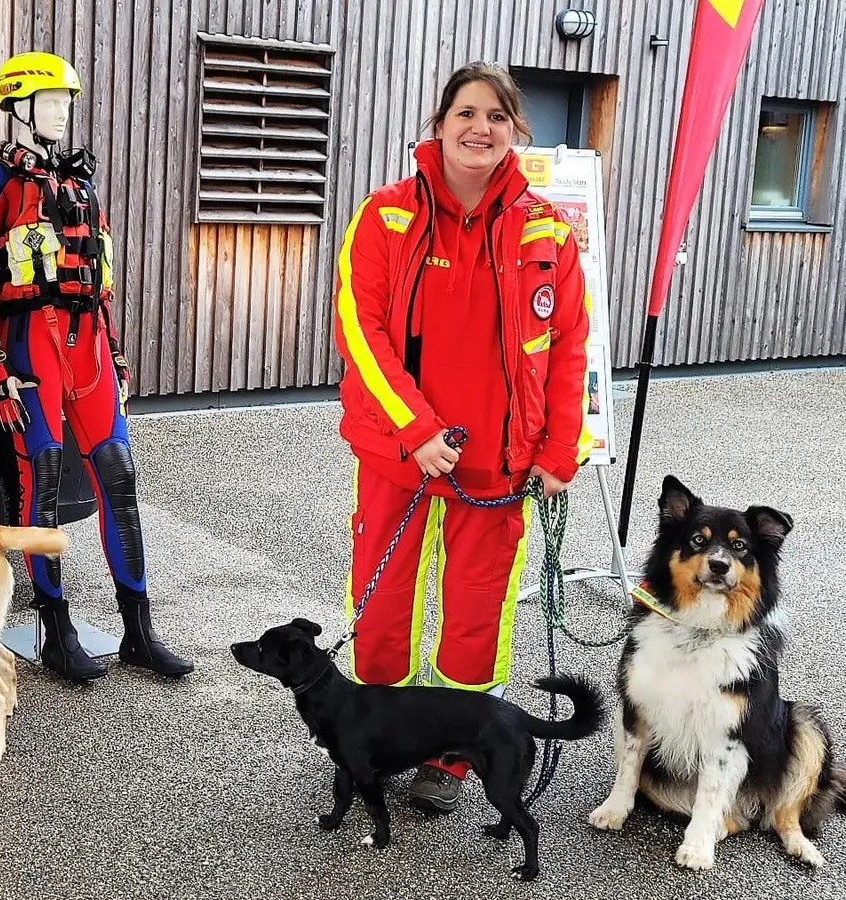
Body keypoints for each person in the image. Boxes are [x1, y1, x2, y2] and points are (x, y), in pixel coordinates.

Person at [330, 62, 592, 811]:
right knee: (383, 612)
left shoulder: (546, 227)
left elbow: (571, 343)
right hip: (399, 454)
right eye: (466, 113)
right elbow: (361, 328)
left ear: (515, 131)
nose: (480, 128)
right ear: (440, 123)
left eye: (497, 117)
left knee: (478, 614)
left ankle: (451, 752)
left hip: (500, 466)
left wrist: (557, 452)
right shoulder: (385, 216)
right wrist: (415, 430)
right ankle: (377, 739)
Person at [0, 51, 193, 682]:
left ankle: (139, 630)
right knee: (43, 475)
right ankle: (56, 629)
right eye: (51, 100)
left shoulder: (81, 184)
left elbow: (94, 282)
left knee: (119, 475)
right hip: (33, 341)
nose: (63, 111)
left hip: (89, 344)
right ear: (17, 107)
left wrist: (115, 354)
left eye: (67, 101)